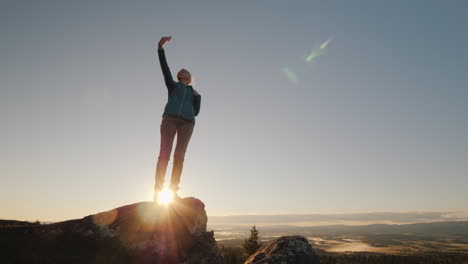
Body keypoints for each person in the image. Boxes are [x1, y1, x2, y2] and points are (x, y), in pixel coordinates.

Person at [154, 36, 201, 202]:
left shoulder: (194, 93)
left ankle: (173, 191)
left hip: (188, 124)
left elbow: (196, 112)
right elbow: (165, 69)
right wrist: (160, 48)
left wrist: (198, 97)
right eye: (179, 71)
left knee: (179, 157)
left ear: (189, 77)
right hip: (169, 120)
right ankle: (158, 191)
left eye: (184, 71)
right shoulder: (173, 86)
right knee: (164, 155)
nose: (181, 71)